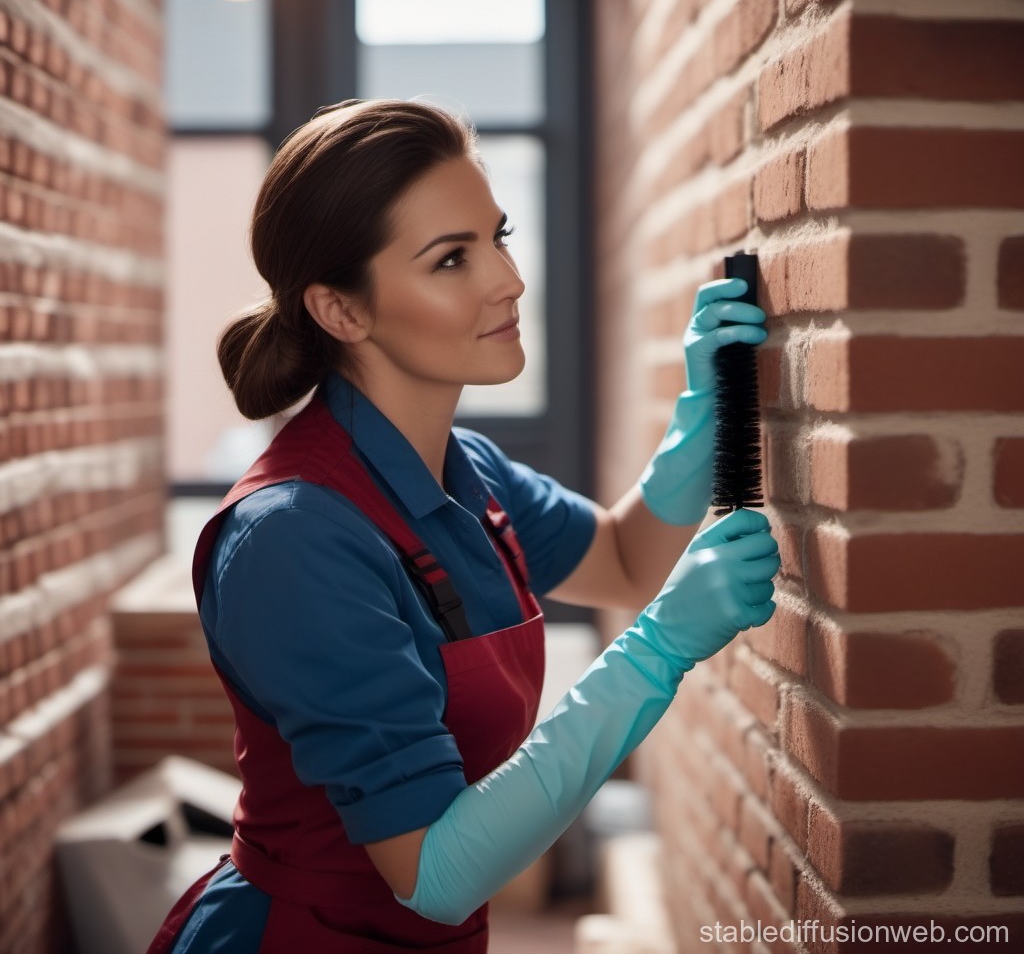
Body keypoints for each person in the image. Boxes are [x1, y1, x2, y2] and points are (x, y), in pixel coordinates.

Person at [148, 98, 778, 954]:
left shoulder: (468, 468)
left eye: (498, 237)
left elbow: (624, 561)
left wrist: (705, 413)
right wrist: (660, 650)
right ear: (342, 311)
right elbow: (435, 877)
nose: (509, 280)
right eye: (451, 259)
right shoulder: (290, 540)